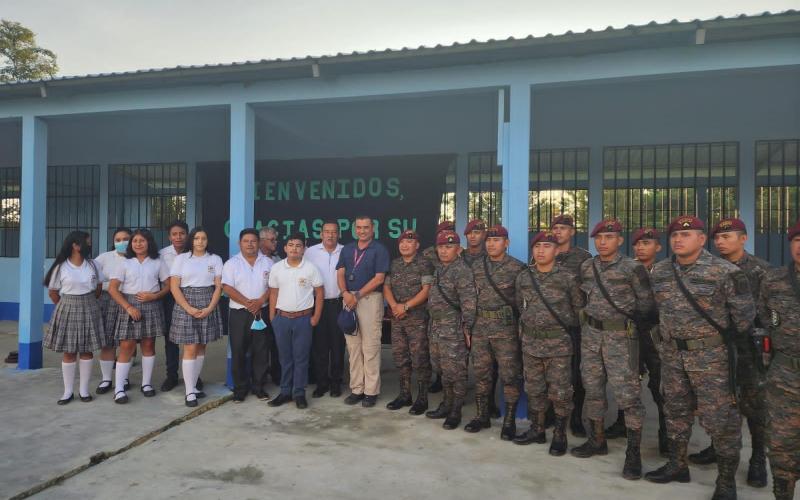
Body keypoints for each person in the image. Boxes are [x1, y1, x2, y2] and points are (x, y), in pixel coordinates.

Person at [645, 216, 755, 500]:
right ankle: (677, 464)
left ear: (702, 240)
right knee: (675, 411)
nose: (679, 240)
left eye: (688, 234)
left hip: (711, 358)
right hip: (672, 355)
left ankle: (726, 480)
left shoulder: (725, 272)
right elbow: (657, 309)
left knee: (721, 418)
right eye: (674, 236)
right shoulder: (660, 271)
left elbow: (743, 319)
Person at [687, 218, 770, 488]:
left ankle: (758, 457)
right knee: (718, 403)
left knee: (754, 406)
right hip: (716, 348)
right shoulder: (707, 268)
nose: (721, 242)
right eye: (718, 238)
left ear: (743, 238)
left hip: (748, 349)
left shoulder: (760, 270)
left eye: (727, 237)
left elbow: (768, 313)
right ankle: (716, 446)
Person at [571, 219, 655, 481]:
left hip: (621, 337)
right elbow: (579, 299)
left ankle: (633, 453)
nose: (603, 242)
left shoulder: (633, 268)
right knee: (593, 389)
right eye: (599, 238)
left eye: (609, 237)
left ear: (619, 240)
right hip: (591, 336)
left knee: (628, 395)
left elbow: (646, 305)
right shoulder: (587, 266)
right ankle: (597, 439)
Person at [513, 231, 584, 455]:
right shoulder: (525, 277)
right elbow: (520, 306)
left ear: (556, 250)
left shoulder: (567, 278)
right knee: (534, 389)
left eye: (546, 246)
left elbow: (578, 310)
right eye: (537, 247)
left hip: (559, 345)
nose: (541, 250)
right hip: (531, 343)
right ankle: (537, 429)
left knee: (560, 391)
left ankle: (560, 434)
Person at [604, 227, 669, 458]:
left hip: (656, 336)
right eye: (638, 244)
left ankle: (666, 433)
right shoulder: (625, 269)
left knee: (661, 385)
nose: (641, 247)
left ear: (658, 247)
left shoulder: (666, 271)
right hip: (629, 334)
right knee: (626, 381)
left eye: (647, 243)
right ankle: (623, 423)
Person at [464, 225, 525, 440]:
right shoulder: (476, 266)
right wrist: (468, 326)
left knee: (509, 375)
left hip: (506, 329)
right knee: (482, 373)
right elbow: (471, 298)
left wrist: (521, 331)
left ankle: (509, 421)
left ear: (506, 243)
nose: (491, 243)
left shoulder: (518, 268)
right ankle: (482, 416)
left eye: (497, 240)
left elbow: (523, 304)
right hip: (480, 327)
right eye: (489, 240)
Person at [758, 219, 800, 500]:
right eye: (797, 240)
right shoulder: (774, 279)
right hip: (786, 373)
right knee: (781, 442)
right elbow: (765, 317)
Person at [109, 228, 171, 404]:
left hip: (152, 304)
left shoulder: (157, 261)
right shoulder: (124, 262)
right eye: (135, 241)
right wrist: (128, 307)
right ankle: (119, 388)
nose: (138, 244)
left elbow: (168, 285)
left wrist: (155, 296)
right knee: (127, 346)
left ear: (149, 243)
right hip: (129, 304)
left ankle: (146, 384)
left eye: (142, 241)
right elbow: (113, 289)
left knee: (149, 344)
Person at [43, 231, 105, 405]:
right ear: (75, 245)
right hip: (67, 307)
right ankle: (67, 391)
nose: (90, 245)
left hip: (90, 306)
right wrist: (65, 307)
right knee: (69, 351)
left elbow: (99, 288)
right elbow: (53, 292)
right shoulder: (60, 267)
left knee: (87, 350)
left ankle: (84, 390)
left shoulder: (93, 265)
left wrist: (89, 302)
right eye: (87, 242)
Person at [336, 215, 390, 408]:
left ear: (372, 229)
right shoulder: (348, 249)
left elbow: (379, 279)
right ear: (354, 229)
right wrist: (344, 293)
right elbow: (341, 272)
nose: (362, 231)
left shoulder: (380, 249)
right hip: (348, 298)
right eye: (359, 227)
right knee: (353, 348)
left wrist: (356, 296)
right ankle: (357, 389)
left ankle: (370, 391)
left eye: (366, 227)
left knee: (370, 347)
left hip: (368, 300)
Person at [424, 230, 477, 429]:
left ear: (458, 249)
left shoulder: (462, 271)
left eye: (449, 247)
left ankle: (455, 410)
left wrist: (467, 329)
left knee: (456, 371)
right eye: (441, 247)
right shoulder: (440, 269)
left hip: (453, 329)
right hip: (436, 327)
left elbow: (469, 303)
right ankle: (446, 403)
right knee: (442, 369)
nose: (444, 251)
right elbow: (427, 253)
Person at [168, 226, 224, 407]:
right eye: (197, 238)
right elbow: (174, 286)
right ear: (191, 240)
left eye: (204, 238)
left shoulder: (215, 259)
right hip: (186, 302)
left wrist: (210, 308)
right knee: (190, 347)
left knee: (201, 346)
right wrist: (187, 308)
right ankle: (189, 391)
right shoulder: (181, 259)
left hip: (208, 302)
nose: (200, 241)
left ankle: (195, 385)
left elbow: (218, 287)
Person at [267, 233, 324, 409]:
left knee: (301, 358)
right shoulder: (277, 268)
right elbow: (273, 293)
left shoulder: (310, 268)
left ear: (304, 249)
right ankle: (285, 391)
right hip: (282, 318)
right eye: (291, 245)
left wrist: (315, 317)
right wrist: (272, 317)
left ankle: (299, 392)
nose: (294, 249)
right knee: (285, 358)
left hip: (303, 319)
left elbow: (320, 293)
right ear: (285, 248)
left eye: (298, 245)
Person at [383, 229, 434, 414]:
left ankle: (422, 398)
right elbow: (386, 287)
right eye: (402, 242)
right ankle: (405, 395)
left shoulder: (424, 264)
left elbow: (426, 290)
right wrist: (395, 306)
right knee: (400, 357)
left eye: (409, 242)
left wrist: (406, 307)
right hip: (398, 319)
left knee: (420, 358)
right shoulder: (394, 264)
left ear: (417, 245)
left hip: (417, 319)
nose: (405, 245)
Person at [551, 214, 592, 437]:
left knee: (576, 373)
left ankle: (576, 416)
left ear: (572, 232)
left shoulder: (583, 258)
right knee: (550, 372)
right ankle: (550, 413)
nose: (558, 232)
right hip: (548, 324)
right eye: (555, 228)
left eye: (563, 228)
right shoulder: (543, 252)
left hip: (573, 325)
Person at [222, 228, 273, 403]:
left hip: (262, 312)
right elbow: (227, 288)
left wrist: (259, 302)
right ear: (240, 243)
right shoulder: (232, 263)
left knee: (261, 351)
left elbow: (273, 287)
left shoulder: (268, 262)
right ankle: (240, 390)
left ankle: (259, 387)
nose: (250, 244)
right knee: (238, 351)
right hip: (239, 314)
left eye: (253, 241)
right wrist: (248, 303)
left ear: (259, 243)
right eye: (246, 241)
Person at [306, 220, 345, 398]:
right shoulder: (310, 252)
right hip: (317, 304)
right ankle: (321, 383)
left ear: (339, 234)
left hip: (339, 304)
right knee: (320, 346)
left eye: (334, 232)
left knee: (338, 346)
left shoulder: (346, 251)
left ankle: (336, 383)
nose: (330, 235)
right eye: (326, 232)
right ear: (321, 234)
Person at [94, 227, 131, 395]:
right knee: (108, 342)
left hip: (129, 300)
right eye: (118, 239)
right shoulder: (104, 258)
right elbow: (92, 276)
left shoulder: (136, 258)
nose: (122, 242)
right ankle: (106, 379)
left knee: (127, 342)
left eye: (125, 239)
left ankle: (123, 378)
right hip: (107, 301)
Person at [159, 220, 194, 393]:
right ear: (169, 236)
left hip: (191, 298)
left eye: (181, 233)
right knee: (171, 339)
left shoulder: (195, 252)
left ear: (187, 235)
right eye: (174, 234)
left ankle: (194, 376)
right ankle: (171, 375)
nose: (178, 237)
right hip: (169, 299)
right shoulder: (161, 254)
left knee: (193, 339)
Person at [421, 220, 455, 395]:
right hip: (432, 309)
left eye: (449, 231)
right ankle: (438, 379)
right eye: (442, 232)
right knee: (433, 351)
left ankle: (454, 393)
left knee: (453, 355)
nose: (445, 235)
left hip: (452, 314)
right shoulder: (427, 254)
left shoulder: (459, 255)